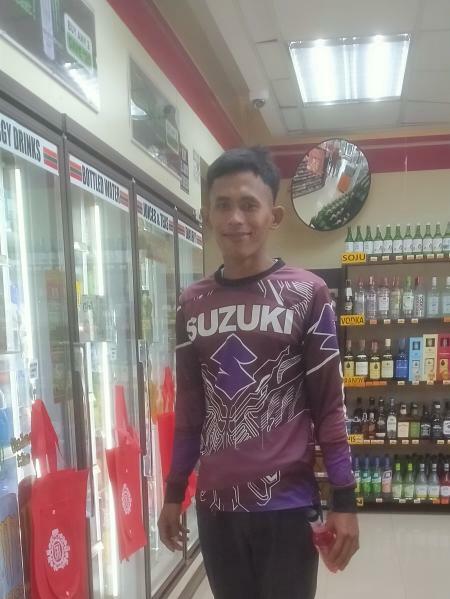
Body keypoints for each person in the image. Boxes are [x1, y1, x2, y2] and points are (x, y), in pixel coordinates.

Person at [158, 147, 359, 599]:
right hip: (216, 508)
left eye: (249, 204)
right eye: (223, 205)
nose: (236, 218)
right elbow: (189, 410)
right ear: (207, 216)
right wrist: (174, 493)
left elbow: (330, 407)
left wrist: (344, 500)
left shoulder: (308, 294)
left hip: (287, 505)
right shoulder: (191, 303)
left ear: (274, 215)